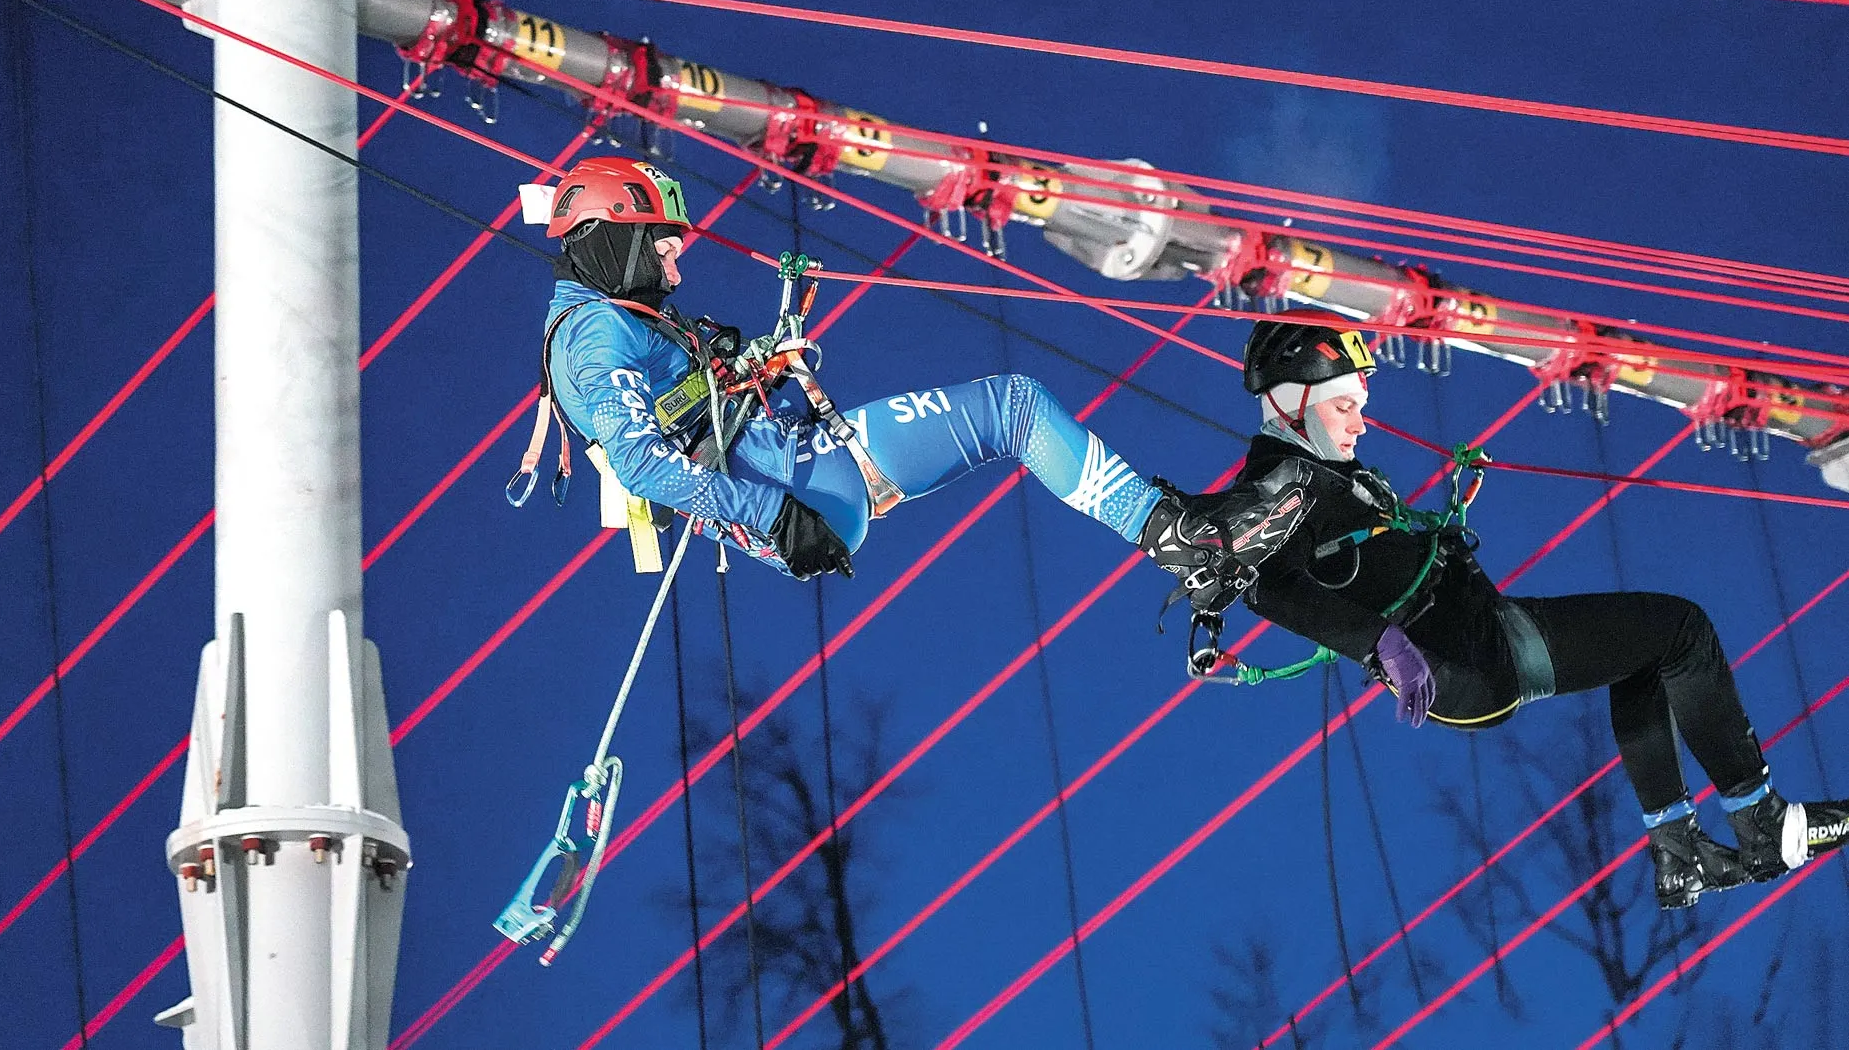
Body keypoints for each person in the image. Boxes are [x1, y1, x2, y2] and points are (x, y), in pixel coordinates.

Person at [1198, 308, 1849, 909]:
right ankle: (1762, 824)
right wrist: (1380, 643)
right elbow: (1269, 585)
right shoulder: (1280, 486)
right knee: (1682, 630)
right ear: (1291, 403)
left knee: (1647, 656)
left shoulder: (1323, 476)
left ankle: (1681, 854)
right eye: (1344, 406)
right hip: (1468, 658)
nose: (1359, 423)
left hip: (1481, 635)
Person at [523, 156, 1312, 591]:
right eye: (662, 249)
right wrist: (775, 514)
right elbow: (640, 460)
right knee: (1013, 408)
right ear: (613, 234)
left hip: (802, 476)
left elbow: (675, 412)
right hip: (797, 487)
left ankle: (1182, 533)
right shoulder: (595, 333)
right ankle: (1178, 537)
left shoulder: (604, 324)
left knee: (1013, 410)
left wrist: (742, 363)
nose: (674, 270)